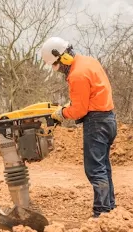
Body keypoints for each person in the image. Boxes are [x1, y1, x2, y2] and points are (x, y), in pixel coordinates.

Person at [41, 37, 118, 218]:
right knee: (104, 167)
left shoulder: (77, 74)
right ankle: (110, 208)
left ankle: (101, 213)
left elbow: (79, 110)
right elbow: (89, 96)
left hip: (96, 123)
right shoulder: (89, 62)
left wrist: (61, 113)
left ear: (63, 58)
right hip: (108, 119)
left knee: (94, 169)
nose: (57, 70)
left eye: (55, 65)